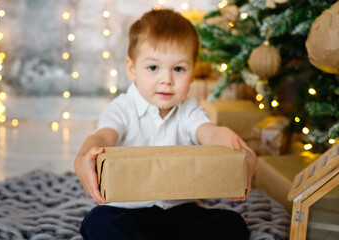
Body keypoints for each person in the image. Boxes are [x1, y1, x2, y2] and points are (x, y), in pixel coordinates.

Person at [75, 8, 257, 240]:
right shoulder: (122, 108)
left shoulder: (188, 110)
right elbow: (103, 137)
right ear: (131, 69)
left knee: (233, 224)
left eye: (178, 69)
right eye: (153, 68)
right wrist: (83, 157)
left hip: (179, 210)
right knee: (97, 221)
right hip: (127, 210)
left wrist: (239, 150)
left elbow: (211, 134)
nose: (166, 80)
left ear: (192, 75)